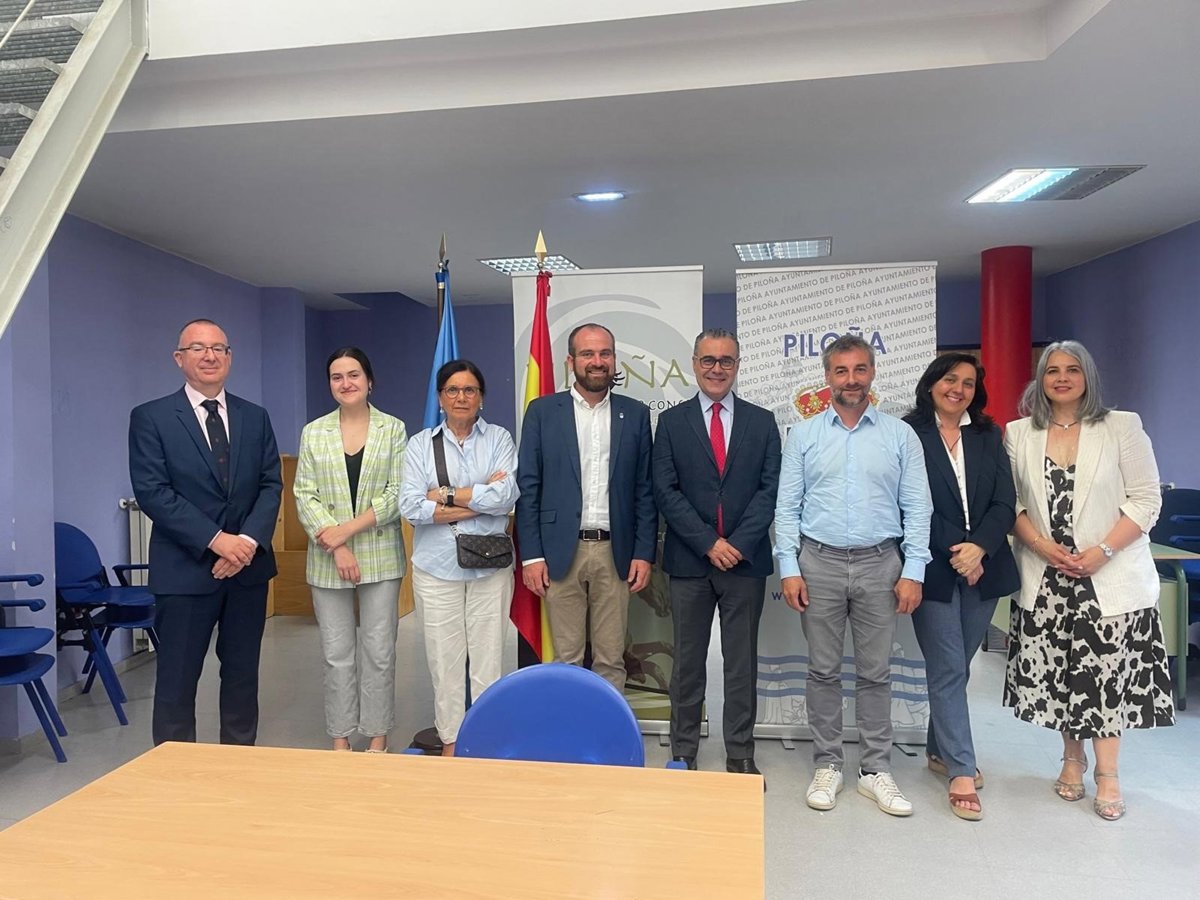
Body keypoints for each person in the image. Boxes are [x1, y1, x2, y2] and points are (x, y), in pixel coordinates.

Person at [1003, 340, 1173, 821]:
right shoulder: (1019, 433)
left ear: (1088, 377)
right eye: (1052, 370)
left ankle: (1109, 774)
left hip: (1109, 576)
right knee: (1064, 674)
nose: (1062, 378)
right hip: (1048, 576)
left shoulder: (1122, 426)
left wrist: (1102, 552)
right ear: (1040, 379)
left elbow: (1146, 500)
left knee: (1106, 677)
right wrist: (1041, 546)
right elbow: (1011, 504)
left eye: (1072, 369)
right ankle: (1071, 760)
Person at [773, 333, 931, 817]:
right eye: (841, 371)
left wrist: (914, 570)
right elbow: (787, 507)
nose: (851, 380)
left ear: (872, 373)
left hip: (881, 564)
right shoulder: (803, 435)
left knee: (875, 673)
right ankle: (827, 764)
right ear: (827, 377)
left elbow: (917, 507)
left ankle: (875, 770)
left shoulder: (900, 436)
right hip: (817, 562)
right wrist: (788, 567)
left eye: (860, 369)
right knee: (822, 671)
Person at [129, 318, 282, 746]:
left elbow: (271, 485)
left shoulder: (255, 417)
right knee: (177, 682)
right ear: (179, 359)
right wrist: (218, 541)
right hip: (184, 572)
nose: (209, 356)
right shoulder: (152, 417)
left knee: (242, 677)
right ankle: (175, 770)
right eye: (197, 348)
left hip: (247, 572)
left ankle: (238, 763)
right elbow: (154, 492)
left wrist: (245, 544)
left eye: (218, 348)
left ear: (229, 357)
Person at [653, 328, 780, 785]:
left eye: (726, 360)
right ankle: (683, 750)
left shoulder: (762, 422)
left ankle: (740, 753)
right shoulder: (672, 423)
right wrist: (708, 542)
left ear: (738, 365)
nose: (717, 369)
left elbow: (770, 490)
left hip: (745, 563)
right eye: (708, 360)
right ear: (694, 364)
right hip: (690, 562)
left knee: (741, 663)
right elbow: (665, 490)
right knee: (687, 663)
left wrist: (737, 544)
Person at [903, 353, 1019, 820]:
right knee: (949, 666)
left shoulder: (989, 434)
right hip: (933, 566)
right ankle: (961, 770)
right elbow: (907, 504)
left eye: (968, 383)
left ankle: (937, 748)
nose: (958, 389)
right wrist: (960, 550)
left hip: (985, 568)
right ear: (932, 383)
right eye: (950, 379)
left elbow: (1005, 501)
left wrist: (980, 548)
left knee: (958, 667)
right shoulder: (908, 433)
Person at [516, 323, 656, 692]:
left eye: (605, 353)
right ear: (571, 361)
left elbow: (644, 490)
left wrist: (643, 553)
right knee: (567, 659)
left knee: (611, 658)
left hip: (616, 552)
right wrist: (531, 557)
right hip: (560, 552)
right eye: (588, 354)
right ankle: (569, 726)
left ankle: (608, 727)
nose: (597, 361)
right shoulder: (542, 412)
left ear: (614, 359)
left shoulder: (635, 414)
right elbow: (528, 488)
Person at [401, 359, 518, 757]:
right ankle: (451, 743)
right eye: (452, 390)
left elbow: (506, 497)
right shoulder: (420, 445)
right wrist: (480, 498)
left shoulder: (499, 439)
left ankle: (485, 743)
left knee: (488, 663)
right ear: (440, 398)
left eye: (470, 390)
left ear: (481, 398)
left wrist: (445, 495)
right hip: (437, 570)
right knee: (445, 663)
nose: (461, 397)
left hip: (490, 570)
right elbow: (411, 507)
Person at [294, 347, 407, 753]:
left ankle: (377, 736)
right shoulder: (313, 432)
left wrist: (346, 531)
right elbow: (304, 495)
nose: (346, 383)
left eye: (354, 374)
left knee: (379, 651)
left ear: (369, 381)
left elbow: (397, 493)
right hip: (328, 558)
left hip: (380, 554)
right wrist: (337, 545)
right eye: (337, 377)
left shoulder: (393, 429)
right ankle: (340, 737)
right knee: (336, 653)